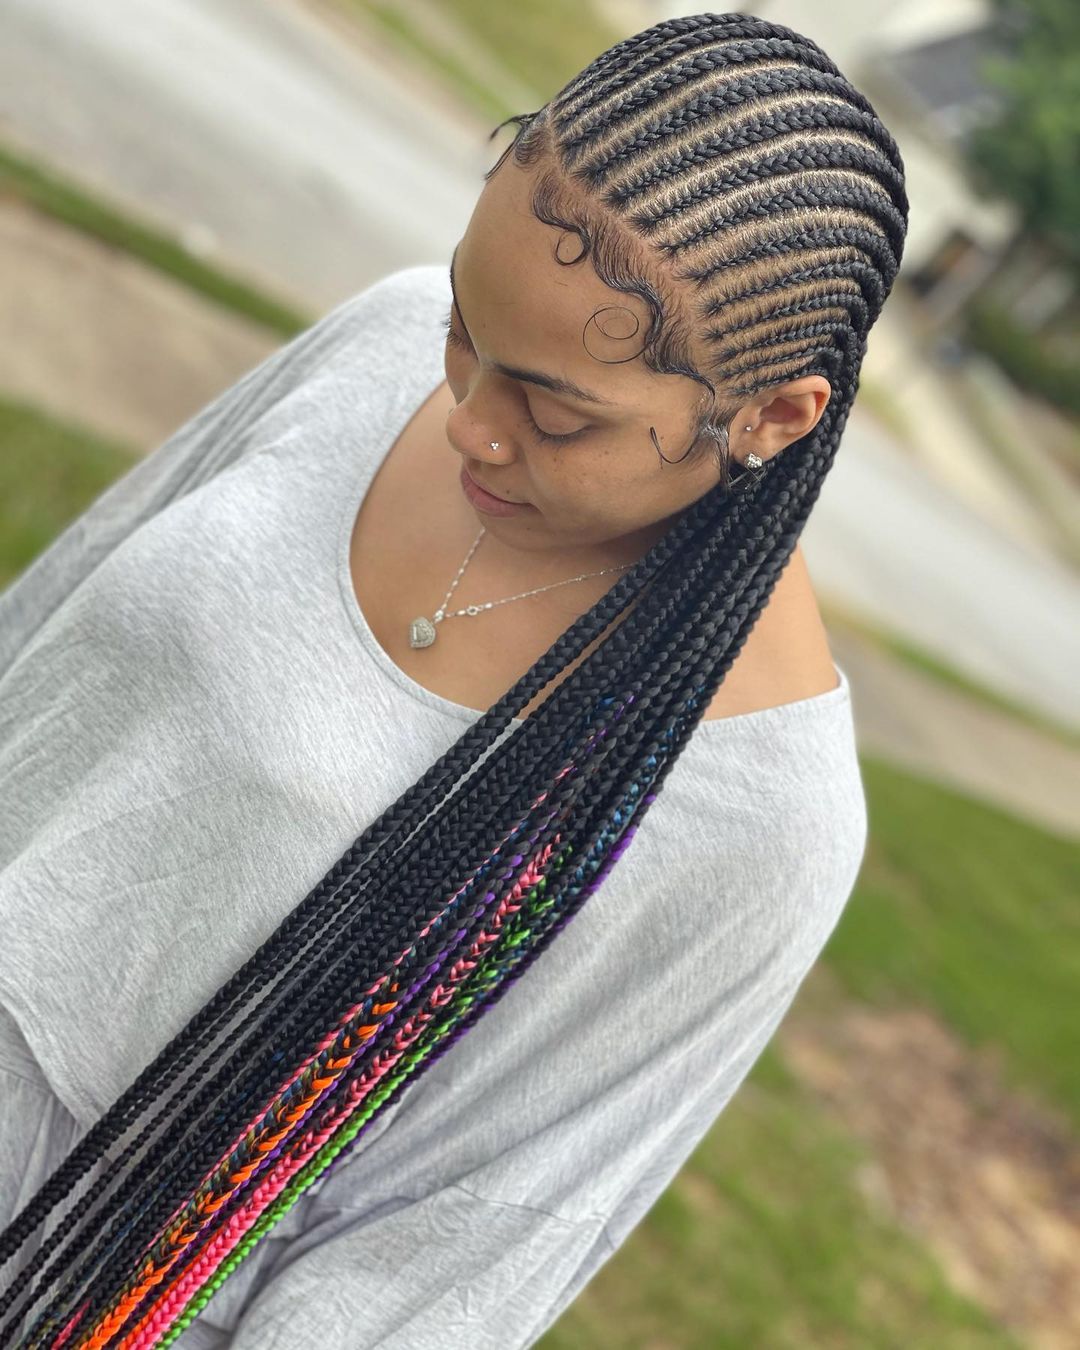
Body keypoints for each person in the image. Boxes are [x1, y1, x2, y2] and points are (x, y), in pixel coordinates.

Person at [0, 12, 907, 1348]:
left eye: (556, 412)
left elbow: (440, 1264)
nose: (467, 418)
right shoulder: (378, 342)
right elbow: (52, 623)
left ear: (773, 415)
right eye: (463, 327)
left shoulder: (759, 813)